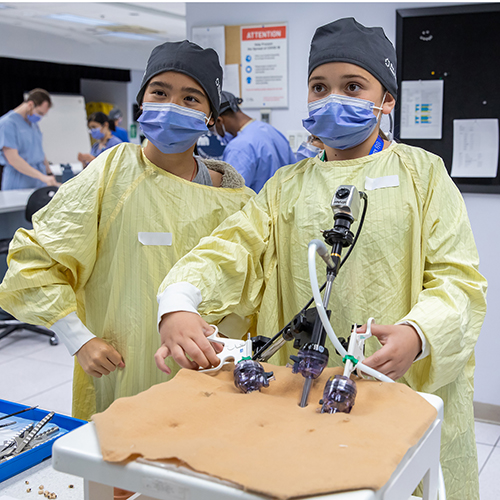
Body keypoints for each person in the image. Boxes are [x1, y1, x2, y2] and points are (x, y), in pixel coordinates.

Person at [154, 18, 486, 500]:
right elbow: (233, 246)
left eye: (352, 86)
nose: (333, 99)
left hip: (397, 383)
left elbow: (459, 279)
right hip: (305, 386)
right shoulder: (288, 186)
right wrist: (180, 298)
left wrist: (421, 333)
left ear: (386, 99)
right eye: (319, 87)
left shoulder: (423, 175)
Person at [0, 40, 254, 423]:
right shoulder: (111, 175)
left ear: (210, 116)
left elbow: (254, 294)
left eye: (191, 98)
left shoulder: (235, 200)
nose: (172, 107)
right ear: (142, 103)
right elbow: (35, 261)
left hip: (208, 375)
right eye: (160, 92)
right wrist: (78, 339)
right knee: (122, 471)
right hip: (120, 370)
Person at [214, 91, 296, 192]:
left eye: (213, 129)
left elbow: (230, 196)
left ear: (219, 121)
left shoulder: (239, 147)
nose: (216, 133)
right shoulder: (272, 131)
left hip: (257, 207)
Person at [0, 88, 58, 190]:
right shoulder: (7, 124)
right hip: (19, 180)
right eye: (40, 113)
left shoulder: (33, 124)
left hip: (39, 180)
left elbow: (39, 150)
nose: (40, 117)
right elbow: (13, 159)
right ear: (30, 104)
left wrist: (49, 173)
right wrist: (42, 177)